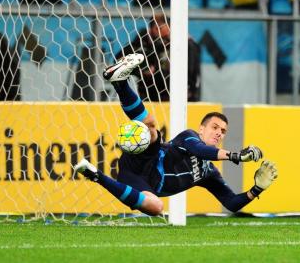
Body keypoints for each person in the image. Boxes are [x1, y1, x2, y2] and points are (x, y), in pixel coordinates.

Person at [74, 53, 278, 216]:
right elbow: (200, 150)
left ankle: (95, 175)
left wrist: (256, 190)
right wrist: (235, 155)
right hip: (146, 158)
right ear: (201, 129)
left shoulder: (209, 174)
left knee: (156, 207)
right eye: (214, 127)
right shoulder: (189, 137)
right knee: (151, 128)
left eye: (223, 131)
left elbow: (232, 203)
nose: (218, 133)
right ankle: (120, 83)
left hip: (142, 182)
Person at [116, 13, 201, 102]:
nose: (165, 41)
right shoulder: (141, 43)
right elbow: (119, 59)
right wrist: (142, 69)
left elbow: (191, 76)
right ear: (153, 30)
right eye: (162, 38)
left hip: (177, 98)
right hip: (148, 96)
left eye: (167, 37)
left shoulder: (186, 46)